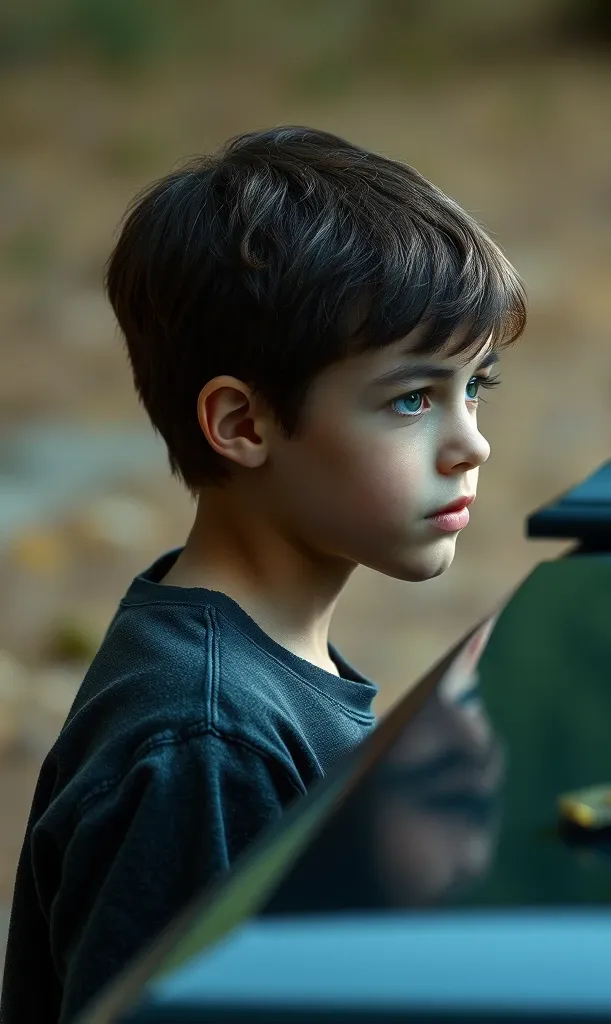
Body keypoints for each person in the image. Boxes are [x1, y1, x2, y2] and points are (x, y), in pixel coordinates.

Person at [0, 125, 527, 1024]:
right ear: (242, 424)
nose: (470, 442)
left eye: (477, 387)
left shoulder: (257, 674)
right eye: (413, 399)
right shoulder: (204, 744)